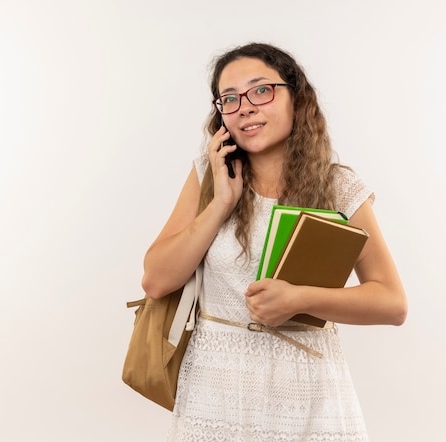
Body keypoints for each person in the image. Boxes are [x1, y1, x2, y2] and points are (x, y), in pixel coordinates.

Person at [141, 42, 407, 441]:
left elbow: (392, 302)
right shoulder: (209, 177)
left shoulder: (338, 187)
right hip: (217, 395)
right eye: (229, 99)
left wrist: (300, 299)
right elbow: (156, 281)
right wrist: (221, 204)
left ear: (296, 98)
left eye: (260, 90)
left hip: (311, 397)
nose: (244, 107)